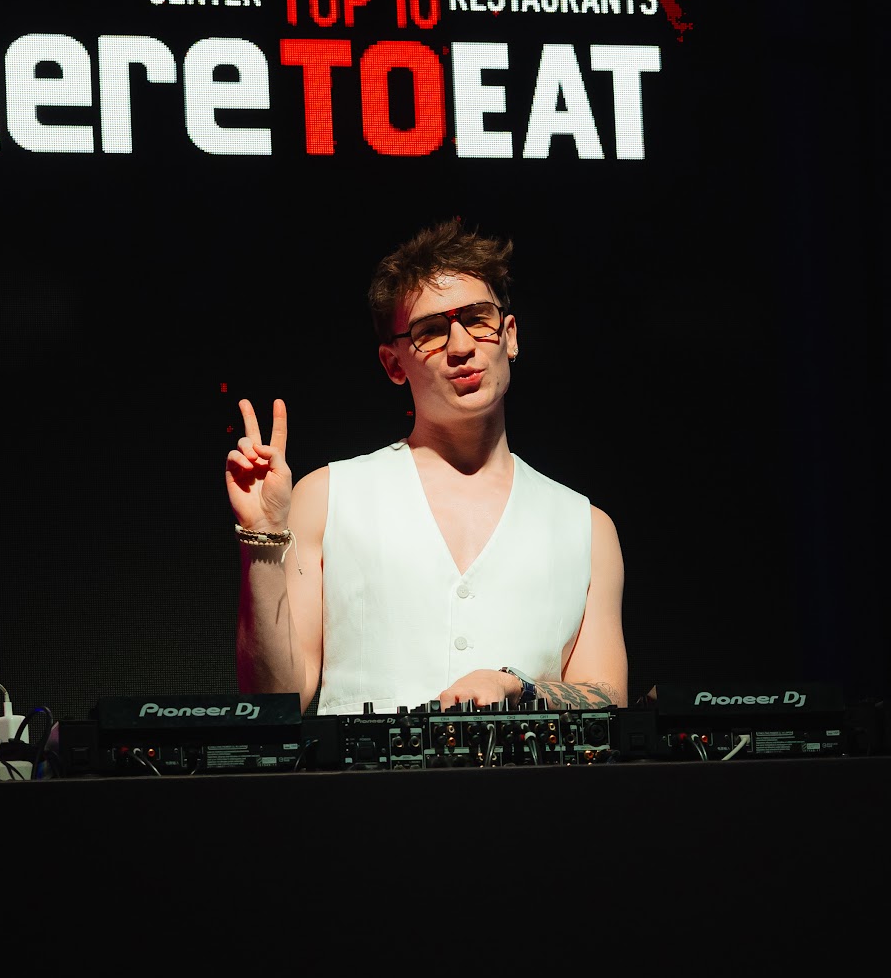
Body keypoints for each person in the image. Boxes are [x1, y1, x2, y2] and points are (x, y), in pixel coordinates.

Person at [224, 219, 627, 714]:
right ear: (394, 364)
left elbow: (608, 699)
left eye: (477, 319)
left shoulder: (586, 527)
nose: (461, 347)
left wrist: (516, 688)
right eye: (431, 331)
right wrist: (262, 537)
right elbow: (273, 702)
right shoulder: (328, 497)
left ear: (509, 335)